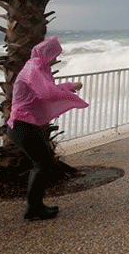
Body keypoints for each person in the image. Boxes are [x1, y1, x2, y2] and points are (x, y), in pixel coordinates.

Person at [6, 36, 88, 221]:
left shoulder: (38, 68)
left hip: (27, 125)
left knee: (43, 164)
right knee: (42, 164)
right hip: (23, 126)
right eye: (55, 55)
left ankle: (35, 206)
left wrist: (68, 86)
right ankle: (34, 209)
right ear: (47, 54)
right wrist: (69, 91)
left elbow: (46, 89)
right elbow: (46, 93)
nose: (56, 59)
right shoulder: (34, 68)